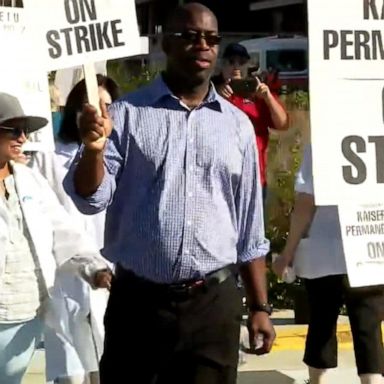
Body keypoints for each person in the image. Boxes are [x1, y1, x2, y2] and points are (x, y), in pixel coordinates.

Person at [64, 3, 275, 384]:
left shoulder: (237, 126)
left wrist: (260, 306)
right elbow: (89, 198)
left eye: (211, 39)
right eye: (190, 37)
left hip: (214, 305)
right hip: (139, 305)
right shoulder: (127, 115)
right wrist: (94, 150)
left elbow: (249, 227)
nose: (203, 46)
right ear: (164, 43)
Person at [0, 92, 112, 384]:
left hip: (28, 316)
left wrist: (94, 269)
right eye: (13, 130)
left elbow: (62, 232)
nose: (23, 138)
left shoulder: (28, 180)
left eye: (25, 130)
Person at [31, 75, 119, 384]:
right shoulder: (47, 157)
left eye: (106, 106)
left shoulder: (119, 156)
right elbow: (46, 218)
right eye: (89, 106)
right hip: (66, 280)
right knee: (72, 375)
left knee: (109, 368)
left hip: (112, 280)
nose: (98, 113)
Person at [272, 145, 384, 384]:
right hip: (369, 246)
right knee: (369, 328)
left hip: (324, 250)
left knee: (321, 323)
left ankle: (318, 381)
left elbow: (305, 201)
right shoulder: (377, 136)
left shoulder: (322, 142)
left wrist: (287, 252)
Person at [214, 42, 289, 199]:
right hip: (219, 178)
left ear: (247, 66)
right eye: (231, 61)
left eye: (241, 62)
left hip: (254, 177)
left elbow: (283, 124)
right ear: (222, 65)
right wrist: (215, 97)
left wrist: (268, 97)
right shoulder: (210, 91)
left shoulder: (256, 93)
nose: (236, 66)